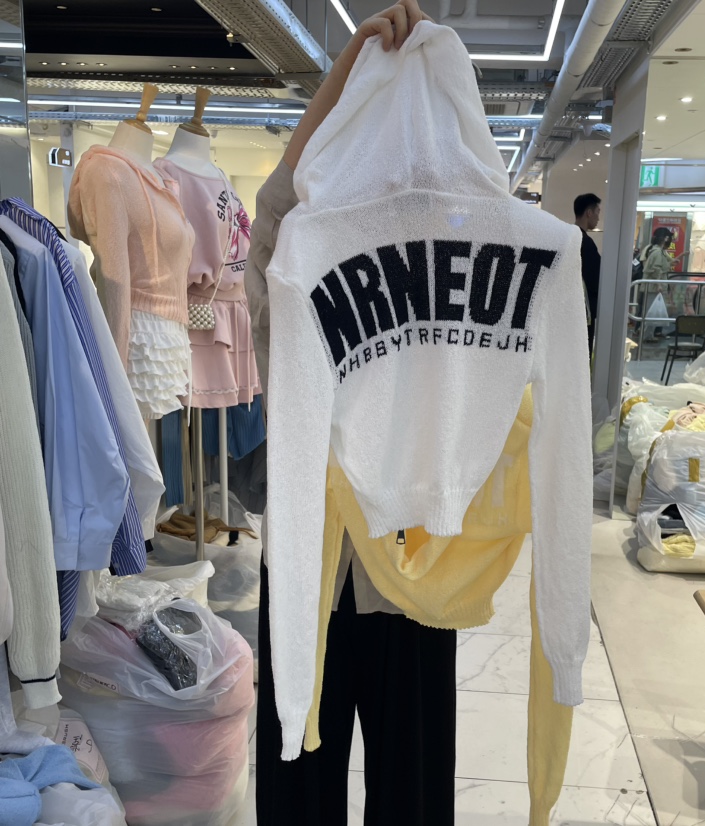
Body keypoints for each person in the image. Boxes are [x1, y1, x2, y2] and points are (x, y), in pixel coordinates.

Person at [246, 4, 457, 826]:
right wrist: (347, 71)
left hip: (415, 572)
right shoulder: (294, 284)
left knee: (414, 792)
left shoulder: (449, 299)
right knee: (297, 789)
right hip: (311, 574)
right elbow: (273, 211)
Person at [573, 193, 601, 354]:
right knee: (583, 352)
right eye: (597, 212)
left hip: (570, 307)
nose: (598, 218)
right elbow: (594, 279)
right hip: (584, 309)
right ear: (589, 213)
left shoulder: (569, 237)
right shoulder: (586, 242)